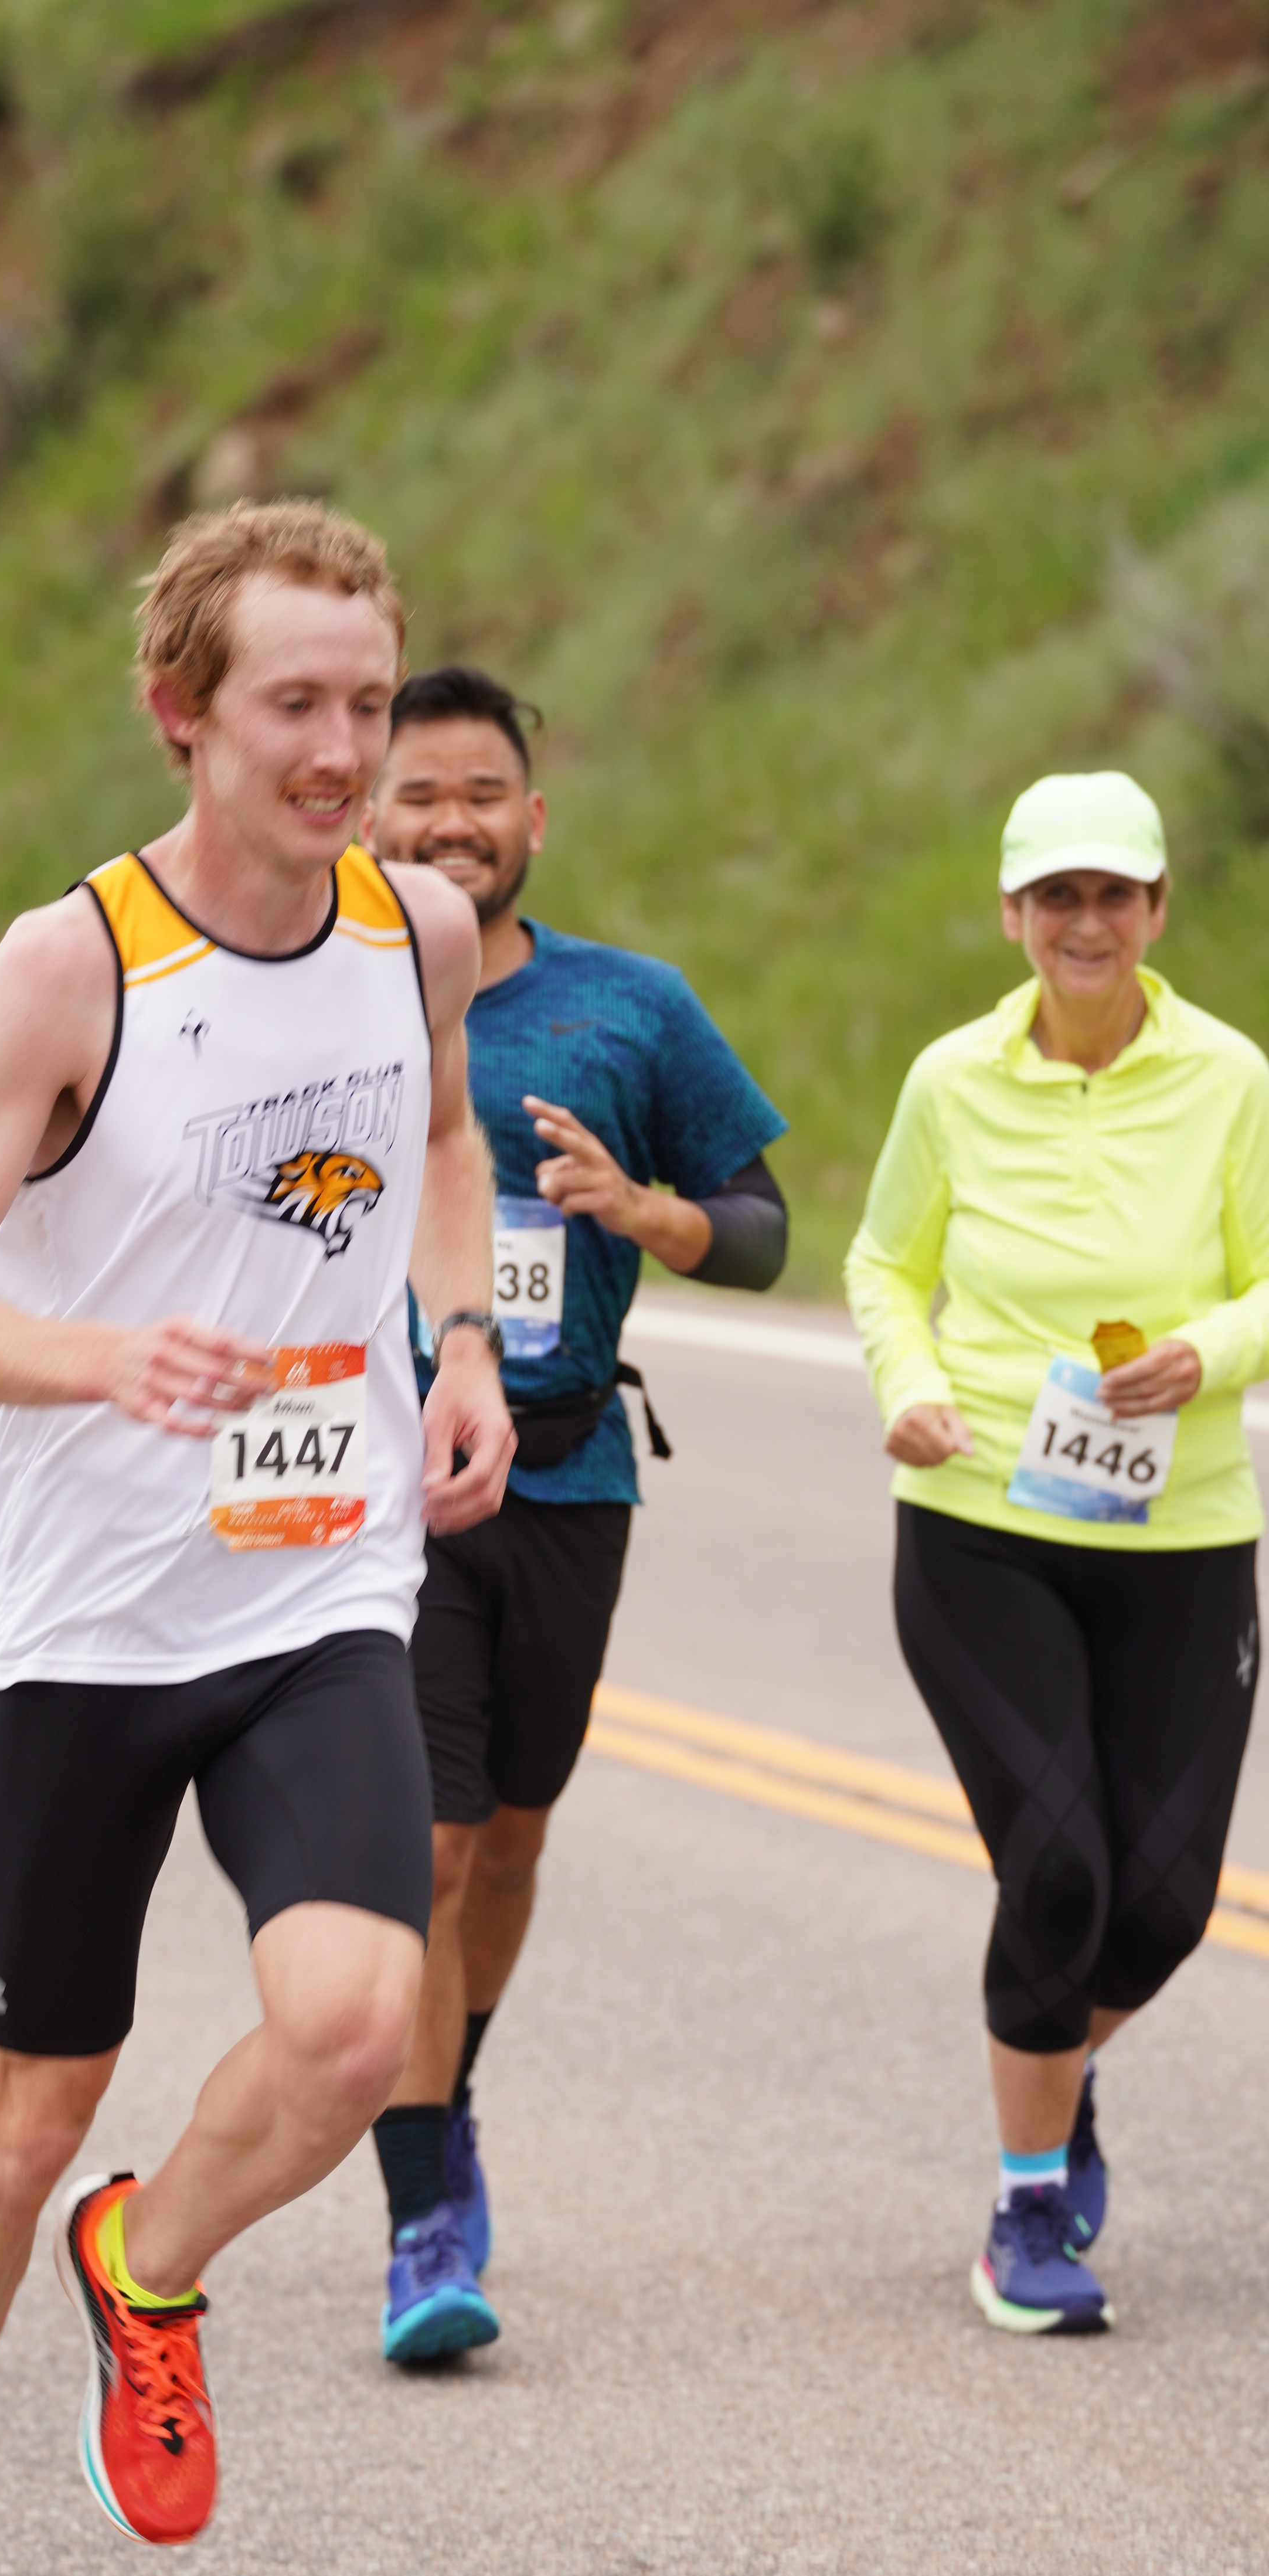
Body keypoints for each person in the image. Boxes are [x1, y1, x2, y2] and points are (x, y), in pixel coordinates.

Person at [0, 502, 513, 2576]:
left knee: (350, 2027)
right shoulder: (73, 970)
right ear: (183, 713)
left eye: (367, 703)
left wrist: (461, 1340)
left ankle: (150, 2268)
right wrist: (97, 1358)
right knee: (20, 2121)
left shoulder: (418, 932)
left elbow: (442, 1141)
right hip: (92, 1629)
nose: (342, 750)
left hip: (320, 1587)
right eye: (294, 705)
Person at [358, 664, 789, 2363]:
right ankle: (421, 2221)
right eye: (418, 796)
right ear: (364, 815)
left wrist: (644, 1210)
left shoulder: (632, 1008)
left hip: (572, 1475)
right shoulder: (310, 990)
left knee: (514, 1838)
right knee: (431, 1843)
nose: (451, 824)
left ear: (532, 819)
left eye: (482, 795)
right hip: (383, 1488)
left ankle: (446, 2094)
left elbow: (760, 1229)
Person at [846, 770, 1269, 2336]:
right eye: (1056, 897)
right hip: (983, 1525)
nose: (1086, 923)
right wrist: (908, 1387)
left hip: (1185, 1533)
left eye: (1114, 895)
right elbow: (884, 1264)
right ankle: (1026, 2209)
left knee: (1159, 1908)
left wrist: (1211, 1352)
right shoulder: (952, 1080)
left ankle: (1054, 2072)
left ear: (1157, 910)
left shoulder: (1230, 1078)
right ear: (1015, 916)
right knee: (1061, 1871)